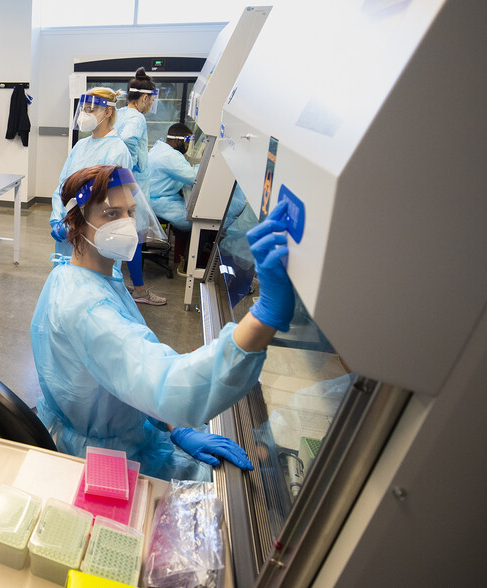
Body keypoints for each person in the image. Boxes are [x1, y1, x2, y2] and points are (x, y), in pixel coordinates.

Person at [31, 164, 295, 481]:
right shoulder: (88, 310)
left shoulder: (82, 273)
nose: (127, 224)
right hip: (109, 458)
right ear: (76, 223)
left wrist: (174, 426)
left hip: (127, 426)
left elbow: (132, 367)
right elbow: (166, 384)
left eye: (130, 212)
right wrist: (264, 316)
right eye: (111, 214)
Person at [48, 87, 134, 259]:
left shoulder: (117, 150)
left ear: (108, 111)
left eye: (90, 110)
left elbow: (112, 200)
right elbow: (63, 183)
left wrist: (80, 223)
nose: (84, 115)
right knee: (67, 277)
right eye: (83, 109)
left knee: (93, 278)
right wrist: (58, 218)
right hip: (68, 226)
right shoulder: (81, 145)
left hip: (96, 231)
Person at [113, 67, 166, 305]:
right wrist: (130, 166)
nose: (151, 105)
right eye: (151, 100)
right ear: (145, 97)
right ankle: (140, 290)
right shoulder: (137, 117)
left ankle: (116, 280)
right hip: (133, 186)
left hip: (123, 184)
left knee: (122, 235)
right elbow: (128, 142)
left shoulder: (121, 113)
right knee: (134, 237)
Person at [148, 122, 200, 276]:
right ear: (178, 141)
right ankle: (188, 267)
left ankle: (187, 260)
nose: (187, 146)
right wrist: (202, 166)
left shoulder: (161, 148)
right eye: (187, 142)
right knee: (195, 219)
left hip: (156, 196)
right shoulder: (169, 156)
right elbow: (193, 177)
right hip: (158, 201)